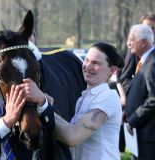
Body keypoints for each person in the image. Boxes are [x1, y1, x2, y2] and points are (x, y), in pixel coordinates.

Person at [53, 42, 124, 160]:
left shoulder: (108, 97)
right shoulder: (83, 99)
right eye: (86, 60)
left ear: (112, 70)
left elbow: (73, 137)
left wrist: (44, 106)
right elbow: (70, 128)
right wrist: (45, 106)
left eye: (96, 63)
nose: (88, 66)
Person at [124, 24, 155, 160]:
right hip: (143, 133)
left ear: (143, 43)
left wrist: (133, 119)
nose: (128, 43)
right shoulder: (145, 61)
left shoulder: (152, 63)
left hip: (148, 135)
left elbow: (153, 99)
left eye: (132, 39)